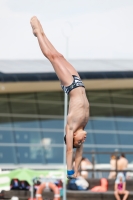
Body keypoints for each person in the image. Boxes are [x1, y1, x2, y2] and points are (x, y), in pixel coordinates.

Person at [30, 17, 89, 179]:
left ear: (73, 138)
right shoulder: (83, 124)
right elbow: (79, 153)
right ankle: (41, 33)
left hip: (70, 85)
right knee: (59, 56)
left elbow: (71, 151)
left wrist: (70, 171)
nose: (83, 140)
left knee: (52, 57)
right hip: (78, 82)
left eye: (79, 141)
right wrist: (78, 170)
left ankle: (38, 33)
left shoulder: (71, 126)